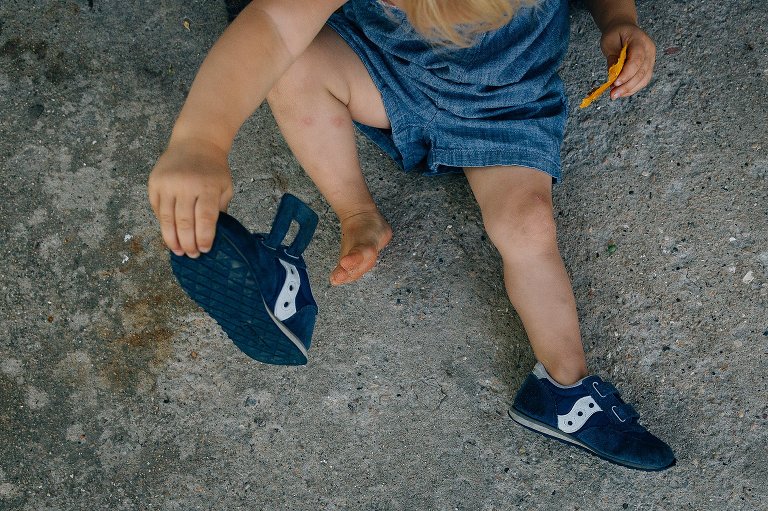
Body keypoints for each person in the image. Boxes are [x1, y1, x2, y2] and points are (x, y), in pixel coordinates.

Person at [147, 0, 674, 470]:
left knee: (528, 225)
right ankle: (358, 213)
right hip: (388, 71)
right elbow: (273, 24)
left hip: (507, 107)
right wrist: (200, 139)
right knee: (293, 62)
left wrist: (619, 20)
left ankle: (565, 388)